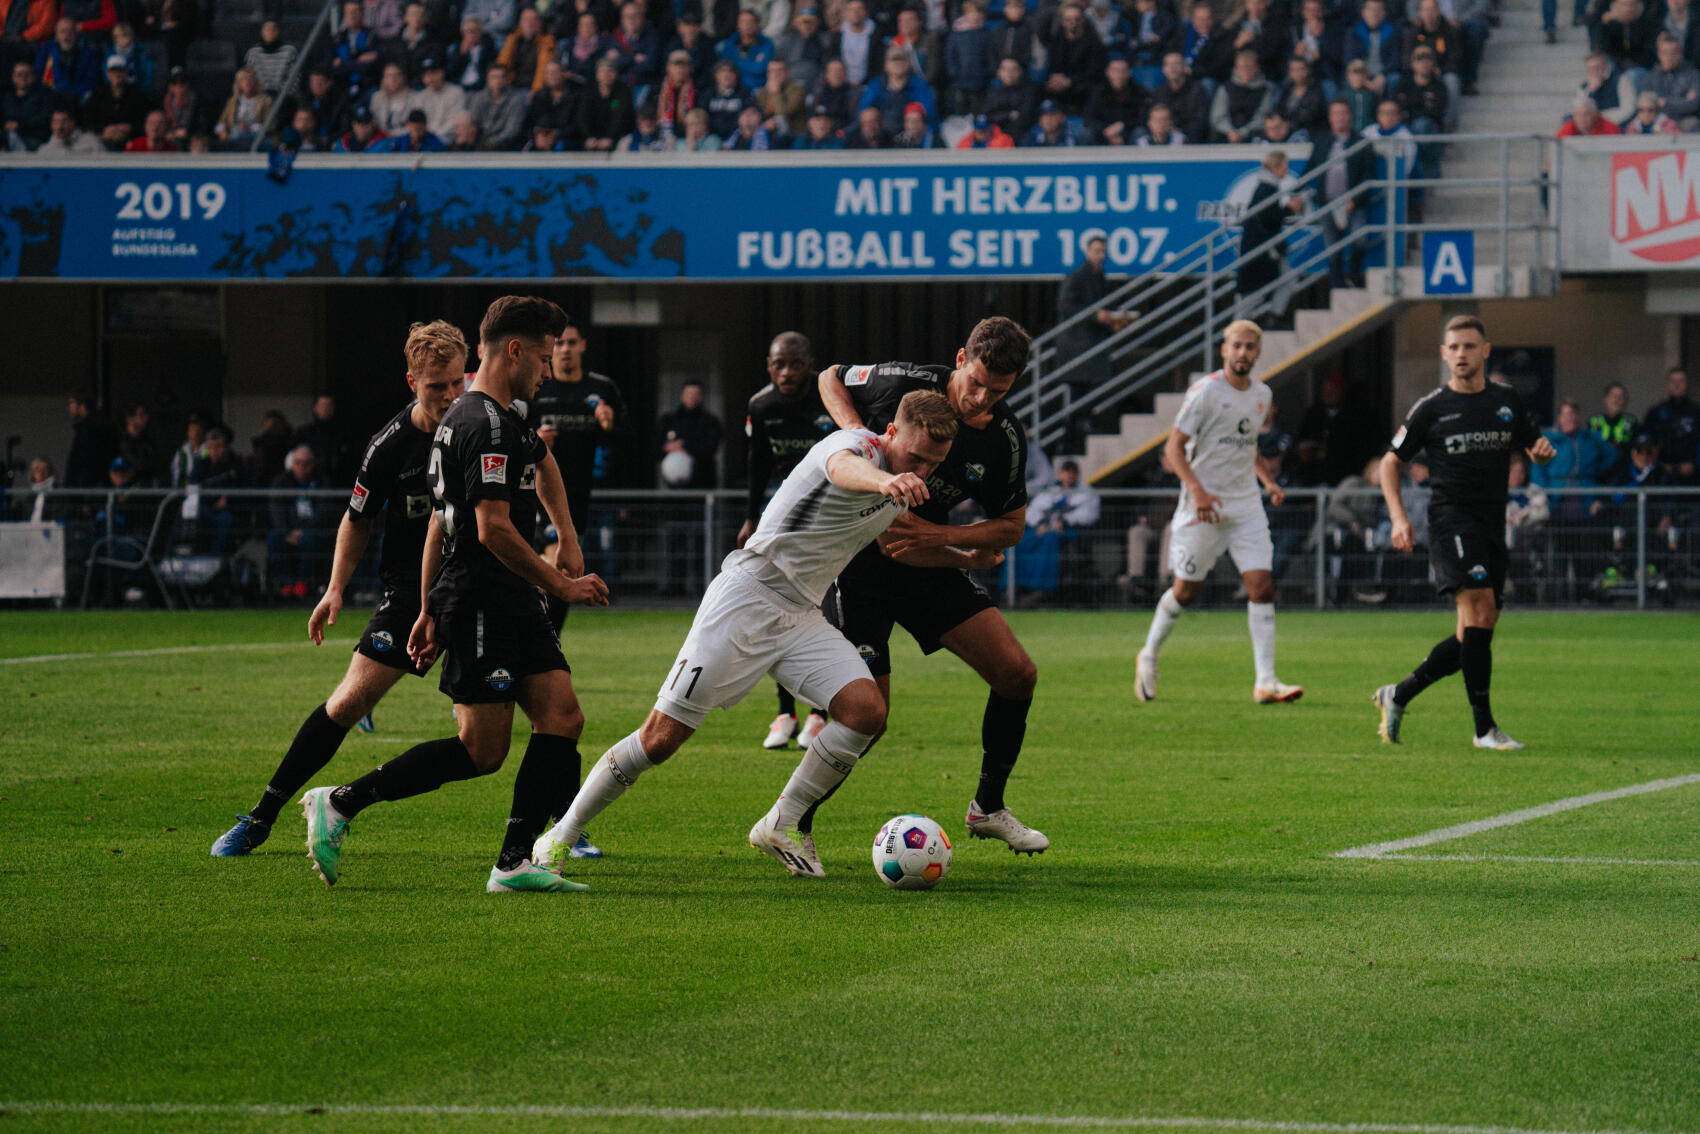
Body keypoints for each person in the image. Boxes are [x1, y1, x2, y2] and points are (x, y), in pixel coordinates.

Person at [532, 390, 975, 880]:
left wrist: (966, 557)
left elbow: (899, 543)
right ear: (891, 433)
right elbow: (842, 468)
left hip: (799, 616)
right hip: (746, 599)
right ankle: (561, 834)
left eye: (934, 463)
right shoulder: (857, 449)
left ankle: (780, 824)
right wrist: (890, 479)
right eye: (916, 456)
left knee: (866, 712)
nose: (925, 469)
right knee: (659, 739)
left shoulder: (897, 486)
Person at [300, 297, 609, 893]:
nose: (549, 371)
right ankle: (339, 802)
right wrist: (562, 583)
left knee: (563, 716)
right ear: (514, 352)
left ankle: (516, 862)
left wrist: (564, 538)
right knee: (481, 751)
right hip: (481, 601)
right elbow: (487, 529)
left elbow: (446, 519)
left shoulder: (495, 417)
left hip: (508, 598)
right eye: (544, 358)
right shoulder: (480, 424)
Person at [212, 324, 471, 855]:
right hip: (410, 593)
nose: (448, 396)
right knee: (348, 701)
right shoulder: (390, 446)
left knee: (522, 726)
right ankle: (263, 815)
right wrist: (334, 589)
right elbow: (356, 520)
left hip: (475, 590)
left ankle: (564, 828)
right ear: (411, 382)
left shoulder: (478, 427)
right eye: (435, 386)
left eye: (455, 383)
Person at [810, 316, 1049, 856]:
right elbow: (830, 376)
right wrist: (858, 439)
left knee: (1017, 673)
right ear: (961, 360)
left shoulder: (1006, 438)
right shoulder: (904, 382)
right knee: (867, 718)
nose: (981, 398)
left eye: (999, 391)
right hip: (858, 565)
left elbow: (1011, 526)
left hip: (924, 561)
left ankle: (988, 808)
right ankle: (791, 821)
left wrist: (946, 536)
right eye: (977, 382)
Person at [1373, 315, 1555, 750]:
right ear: (1443, 354)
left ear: (1485, 351)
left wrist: (1541, 453)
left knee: (1475, 631)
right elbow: (1389, 463)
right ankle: (1484, 729)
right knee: (1480, 606)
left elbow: (1534, 445)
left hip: (1493, 524)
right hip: (1451, 521)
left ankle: (1397, 694)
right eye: (1453, 347)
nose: (1461, 354)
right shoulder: (1431, 407)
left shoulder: (1506, 401)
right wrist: (1399, 517)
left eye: (1469, 347)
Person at [1135, 321, 1303, 707]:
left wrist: (1269, 483)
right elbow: (1173, 450)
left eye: (1250, 347)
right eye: (1237, 346)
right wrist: (1198, 492)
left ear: (1258, 353)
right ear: (1224, 350)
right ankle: (1149, 654)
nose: (1243, 353)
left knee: (1262, 587)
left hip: (1245, 506)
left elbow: (1249, 447)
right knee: (1185, 592)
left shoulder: (1262, 394)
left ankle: (1265, 681)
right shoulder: (1205, 393)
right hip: (1202, 509)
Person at [740, 331, 839, 751]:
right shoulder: (761, 406)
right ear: (768, 364)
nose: (787, 372)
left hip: (833, 522)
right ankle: (785, 712)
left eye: (795, 364)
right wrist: (750, 518)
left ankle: (819, 714)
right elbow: (757, 465)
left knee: (828, 616)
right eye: (779, 364)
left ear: (810, 363)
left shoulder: (829, 401)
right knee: (777, 612)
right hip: (784, 524)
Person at [531, 314, 627, 634]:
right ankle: (539, 639)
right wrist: (534, 440)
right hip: (536, 495)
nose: (565, 350)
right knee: (555, 564)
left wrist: (610, 424)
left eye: (571, 343)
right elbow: (510, 435)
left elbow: (625, 440)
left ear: (583, 346)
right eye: (559, 344)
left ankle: (544, 639)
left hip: (578, 498)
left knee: (564, 572)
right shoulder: (537, 386)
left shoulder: (601, 389)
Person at [267, 444, 336, 600]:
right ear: (292, 464)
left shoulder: (321, 480)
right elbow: (276, 509)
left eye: (306, 463)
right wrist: (287, 532)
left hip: (311, 530)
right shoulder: (281, 481)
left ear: (313, 463)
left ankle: (303, 584)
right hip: (288, 529)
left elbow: (324, 511)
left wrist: (304, 531)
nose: (302, 467)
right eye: (298, 463)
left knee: (311, 540)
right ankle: (285, 584)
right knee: (274, 539)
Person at [1643, 366, 1699, 483]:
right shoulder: (1655, 412)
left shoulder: (1696, 412)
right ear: (1667, 384)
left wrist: (1694, 464)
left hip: (1693, 476)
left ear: (1686, 384)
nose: (1677, 384)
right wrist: (1659, 465)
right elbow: (1646, 442)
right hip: (1661, 475)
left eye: (1681, 381)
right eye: (1673, 381)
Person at [1589, 381, 1638, 481]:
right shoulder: (1593, 422)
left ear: (1625, 401)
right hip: (1599, 476)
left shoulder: (1632, 422)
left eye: (1620, 397)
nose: (1616, 400)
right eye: (1613, 396)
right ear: (1605, 399)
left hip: (1624, 476)